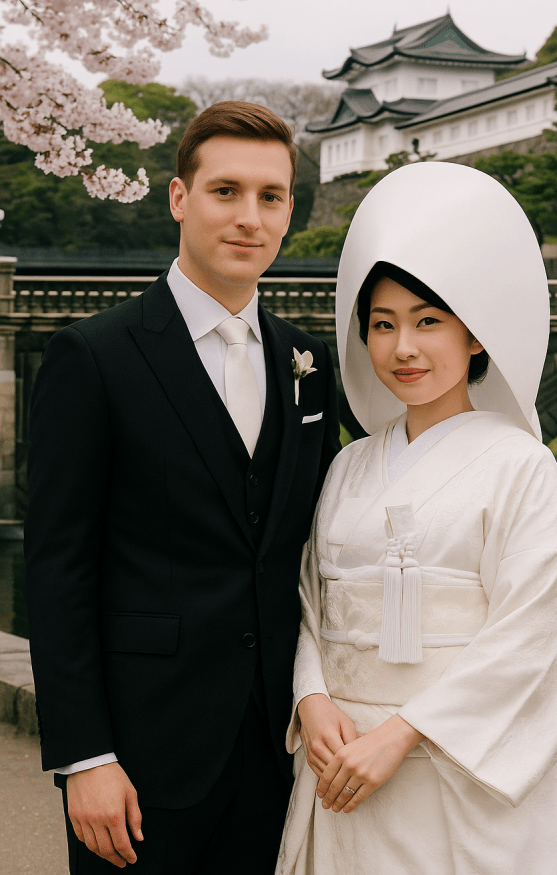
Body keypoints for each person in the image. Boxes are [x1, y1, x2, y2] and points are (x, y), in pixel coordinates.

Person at [23, 101, 340, 873]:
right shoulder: (92, 356)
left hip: (278, 754)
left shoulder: (309, 362)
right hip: (138, 759)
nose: (249, 218)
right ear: (178, 198)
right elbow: (58, 568)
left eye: (271, 197)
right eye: (225, 191)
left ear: (290, 209)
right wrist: (84, 756)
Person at [276, 161, 557, 875]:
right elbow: (307, 601)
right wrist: (311, 696)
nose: (403, 349)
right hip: (344, 765)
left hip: (461, 772)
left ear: (475, 335)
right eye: (383, 325)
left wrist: (404, 732)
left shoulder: (520, 466)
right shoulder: (349, 465)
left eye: (428, 322)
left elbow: (535, 633)